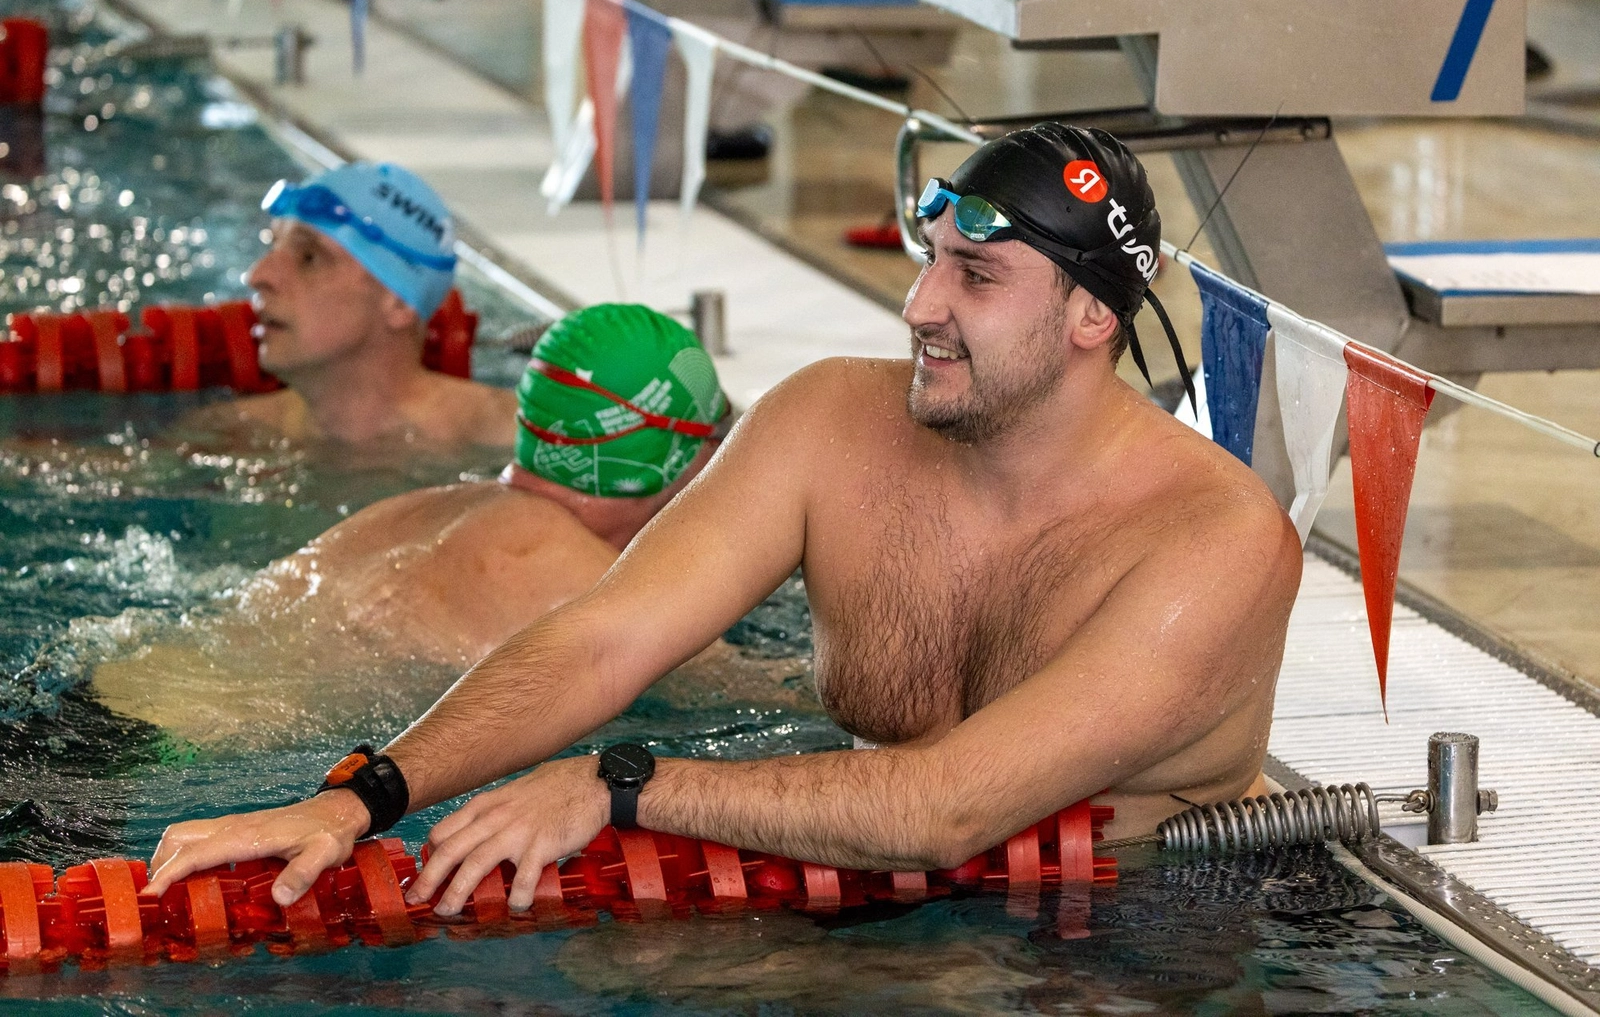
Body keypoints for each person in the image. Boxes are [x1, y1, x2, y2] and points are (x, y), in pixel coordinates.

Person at [144, 125, 1303, 916]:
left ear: (1092, 317)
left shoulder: (1212, 544)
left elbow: (950, 803)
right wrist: (356, 796)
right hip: (860, 897)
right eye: (928, 260)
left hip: (1132, 938)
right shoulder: (829, 423)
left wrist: (622, 778)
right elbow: (605, 635)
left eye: (975, 277)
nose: (919, 306)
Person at [91, 304, 745, 747]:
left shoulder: (429, 507)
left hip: (94, 699)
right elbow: (766, 695)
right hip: (158, 755)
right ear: (669, 454)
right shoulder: (573, 570)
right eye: (715, 438)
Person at [182, 161, 516, 447]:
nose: (258, 275)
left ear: (398, 303)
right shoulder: (222, 435)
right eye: (272, 248)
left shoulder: (510, 440)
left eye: (310, 257)